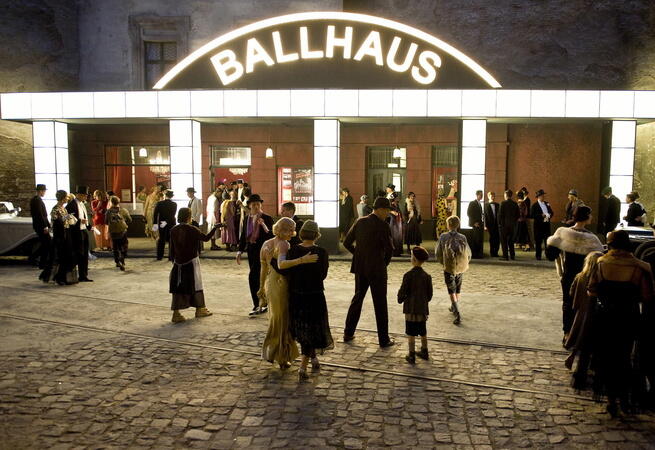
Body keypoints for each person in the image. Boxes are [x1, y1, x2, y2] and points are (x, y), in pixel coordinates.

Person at [588, 230, 654, 416]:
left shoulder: (601, 264)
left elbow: (591, 290)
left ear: (610, 245)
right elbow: (647, 296)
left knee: (606, 357)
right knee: (625, 357)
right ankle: (625, 398)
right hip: (628, 317)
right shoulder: (639, 267)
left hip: (605, 317)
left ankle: (610, 399)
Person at [257, 217, 317, 370]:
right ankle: (282, 357)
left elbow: (263, 269)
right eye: (290, 230)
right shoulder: (284, 244)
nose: (293, 233)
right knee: (283, 320)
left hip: (270, 283)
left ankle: (273, 352)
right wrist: (302, 260)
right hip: (281, 284)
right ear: (283, 230)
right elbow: (282, 265)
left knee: (275, 318)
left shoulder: (266, 244)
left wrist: (261, 288)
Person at [546, 205, 604, 343]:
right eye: (590, 214)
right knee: (583, 304)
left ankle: (567, 333)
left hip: (567, 275)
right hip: (585, 277)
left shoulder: (563, 232)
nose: (592, 217)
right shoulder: (592, 239)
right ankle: (579, 333)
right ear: (586, 217)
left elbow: (551, 255)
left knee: (567, 303)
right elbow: (599, 258)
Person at [343, 197, 396, 347]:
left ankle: (348, 333)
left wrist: (358, 254)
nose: (388, 213)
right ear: (380, 209)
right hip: (377, 269)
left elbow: (346, 243)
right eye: (387, 210)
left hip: (361, 267)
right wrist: (383, 263)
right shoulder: (383, 226)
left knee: (357, 299)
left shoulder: (360, 221)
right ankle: (383, 339)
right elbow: (389, 249)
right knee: (380, 303)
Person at [286, 220, 334, 380]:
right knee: (312, 329)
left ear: (301, 233)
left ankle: (313, 358)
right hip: (314, 295)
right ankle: (302, 367)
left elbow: (288, 272)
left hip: (296, 295)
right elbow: (323, 275)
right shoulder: (322, 252)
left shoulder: (293, 251)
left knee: (303, 329)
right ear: (316, 235)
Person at [169, 208, 220, 323]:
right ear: (189, 217)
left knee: (178, 287)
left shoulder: (173, 230)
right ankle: (200, 309)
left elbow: (172, 249)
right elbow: (206, 238)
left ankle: (176, 313)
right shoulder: (193, 229)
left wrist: (173, 261)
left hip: (178, 263)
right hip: (191, 261)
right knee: (196, 285)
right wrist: (215, 228)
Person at [564, 251, 603, 390]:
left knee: (581, 340)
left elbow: (571, 293)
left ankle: (578, 368)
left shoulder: (580, 276)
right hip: (595, 314)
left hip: (581, 313)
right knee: (592, 344)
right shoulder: (600, 279)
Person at [237, 194, 274, 316]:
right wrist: (240, 251)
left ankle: (258, 304)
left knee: (254, 277)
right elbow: (244, 236)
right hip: (251, 250)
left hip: (263, 251)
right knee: (257, 277)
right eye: (254, 205)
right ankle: (262, 303)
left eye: (258, 204)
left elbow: (272, 236)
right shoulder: (247, 219)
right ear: (249, 206)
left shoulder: (267, 218)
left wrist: (263, 225)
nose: (256, 207)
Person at [397, 246, 433, 364]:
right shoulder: (427, 276)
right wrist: (424, 302)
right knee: (423, 331)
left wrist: (400, 299)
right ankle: (424, 350)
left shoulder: (408, 275)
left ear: (414, 259)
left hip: (410, 309)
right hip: (422, 309)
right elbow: (429, 295)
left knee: (411, 332)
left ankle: (411, 354)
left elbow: (403, 291)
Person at [435, 215, 472, 325]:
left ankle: (457, 312)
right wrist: (465, 263)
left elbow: (438, 253)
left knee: (451, 289)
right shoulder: (463, 237)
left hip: (449, 267)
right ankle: (454, 305)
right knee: (458, 287)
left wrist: (443, 263)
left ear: (448, 225)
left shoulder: (443, 237)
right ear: (458, 225)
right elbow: (468, 253)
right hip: (460, 267)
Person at [48, 190, 77, 285]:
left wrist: (69, 218)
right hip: (60, 235)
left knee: (67, 255)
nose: (67, 199)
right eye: (66, 197)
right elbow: (55, 222)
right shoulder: (55, 209)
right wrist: (65, 218)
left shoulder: (63, 208)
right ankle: (59, 278)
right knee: (61, 256)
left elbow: (65, 221)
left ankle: (64, 277)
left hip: (66, 233)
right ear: (62, 198)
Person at [66, 186, 93, 282]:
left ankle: (83, 275)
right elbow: (69, 218)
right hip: (76, 232)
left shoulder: (82, 204)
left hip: (83, 230)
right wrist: (79, 221)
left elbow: (85, 216)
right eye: (84, 195)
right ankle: (69, 273)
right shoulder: (71, 205)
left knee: (85, 254)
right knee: (79, 254)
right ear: (79, 195)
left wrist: (89, 226)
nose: (86, 197)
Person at [105, 196, 132, 271]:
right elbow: (130, 220)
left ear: (111, 202)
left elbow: (106, 222)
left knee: (115, 247)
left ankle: (117, 261)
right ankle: (122, 256)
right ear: (118, 202)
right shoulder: (123, 210)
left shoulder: (108, 212)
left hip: (113, 232)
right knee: (124, 245)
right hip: (122, 231)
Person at [30, 184, 51, 272]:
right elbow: (40, 214)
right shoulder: (37, 200)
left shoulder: (37, 199)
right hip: (40, 226)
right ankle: (41, 262)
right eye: (44, 191)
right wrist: (45, 226)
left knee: (45, 243)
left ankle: (35, 259)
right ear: (41, 191)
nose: (45, 193)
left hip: (40, 225)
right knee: (46, 243)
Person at [154, 190, 177, 261]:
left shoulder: (159, 203)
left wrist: (155, 225)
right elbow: (172, 215)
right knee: (171, 240)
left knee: (161, 239)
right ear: (172, 196)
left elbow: (155, 214)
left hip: (161, 223)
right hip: (171, 223)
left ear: (165, 195)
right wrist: (166, 222)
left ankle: (159, 256)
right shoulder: (174, 204)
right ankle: (171, 256)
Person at [530, 189, 554, 260]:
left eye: (544, 195)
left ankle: (548, 255)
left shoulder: (547, 203)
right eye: (542, 195)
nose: (544, 197)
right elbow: (531, 215)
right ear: (538, 197)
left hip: (546, 225)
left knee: (547, 241)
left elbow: (552, 212)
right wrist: (541, 215)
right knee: (538, 241)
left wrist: (549, 215)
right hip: (538, 226)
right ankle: (538, 256)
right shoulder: (534, 205)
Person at [498, 189, 520, 261]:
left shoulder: (503, 203)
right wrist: (514, 222)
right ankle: (512, 256)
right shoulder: (515, 204)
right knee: (511, 241)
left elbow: (500, 215)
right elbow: (518, 215)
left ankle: (505, 256)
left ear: (505, 195)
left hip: (504, 226)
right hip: (512, 226)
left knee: (504, 241)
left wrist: (500, 224)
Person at [467, 190, 484, 258]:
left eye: (482, 195)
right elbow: (469, 213)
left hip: (479, 223)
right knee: (475, 239)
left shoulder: (479, 204)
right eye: (480, 195)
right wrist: (474, 223)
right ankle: (475, 254)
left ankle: (478, 254)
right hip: (475, 224)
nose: (481, 196)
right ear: (477, 195)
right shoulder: (472, 203)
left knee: (479, 239)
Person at [484, 191, 500, 257]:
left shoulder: (497, 205)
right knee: (492, 238)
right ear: (488, 197)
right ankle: (492, 252)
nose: (493, 197)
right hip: (490, 224)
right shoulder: (485, 205)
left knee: (497, 239)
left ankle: (496, 252)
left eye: (494, 196)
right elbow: (484, 216)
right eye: (491, 196)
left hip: (497, 224)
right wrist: (485, 225)